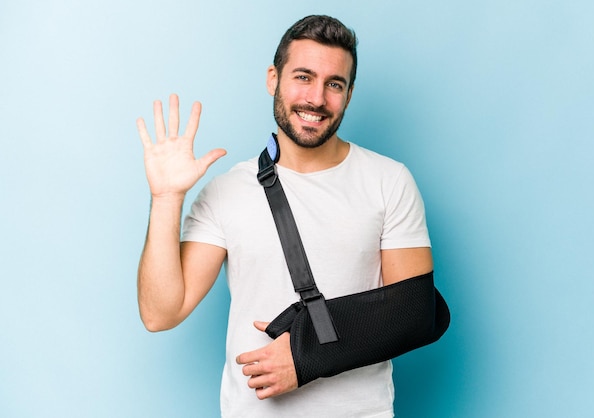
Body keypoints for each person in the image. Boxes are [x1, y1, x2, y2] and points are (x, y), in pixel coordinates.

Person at [137, 15, 433, 417]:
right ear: (273, 79)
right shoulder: (226, 192)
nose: (316, 99)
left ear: (348, 94)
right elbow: (160, 313)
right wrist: (167, 197)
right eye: (303, 77)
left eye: (334, 84)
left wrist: (306, 355)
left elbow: (415, 313)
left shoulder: (388, 180)